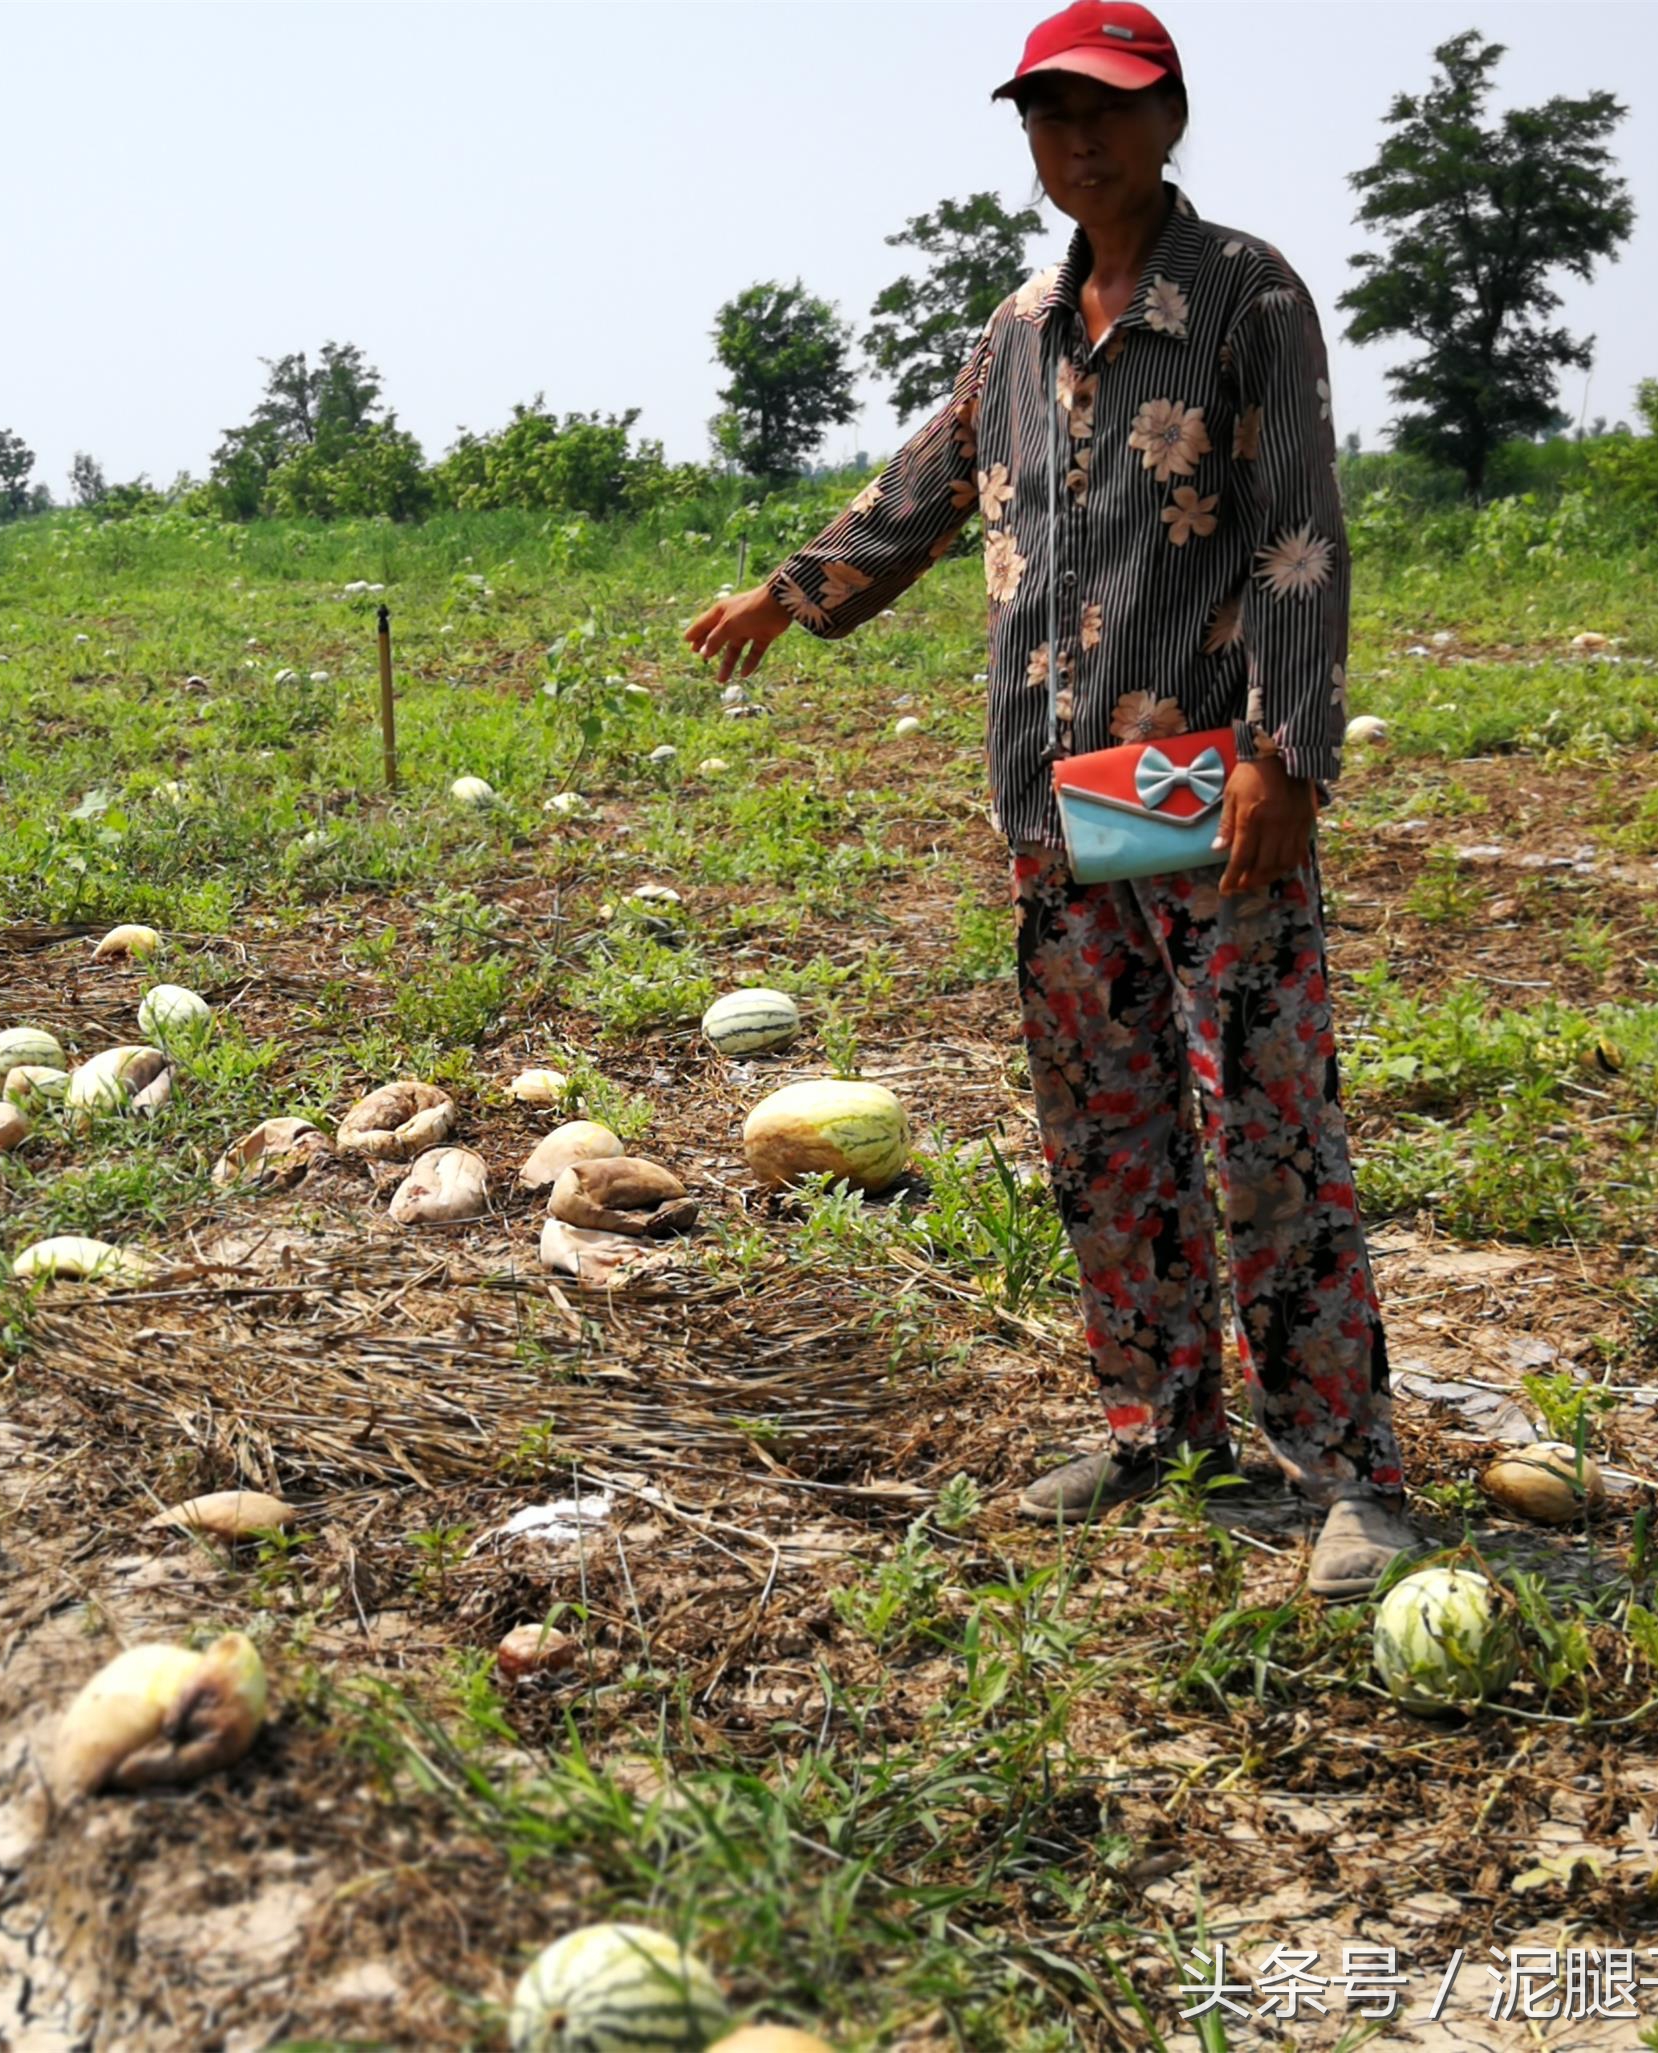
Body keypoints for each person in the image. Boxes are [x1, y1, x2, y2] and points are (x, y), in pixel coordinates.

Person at [684, 0, 1413, 1599]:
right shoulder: (1019, 328)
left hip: (1200, 777)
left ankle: (1348, 1466)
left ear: (1167, 120)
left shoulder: (1241, 296)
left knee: (1263, 1120)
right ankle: (1158, 1424)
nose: (1071, 141)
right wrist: (782, 594)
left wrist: (1289, 755)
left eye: (1102, 111)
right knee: (1108, 1124)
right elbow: (926, 486)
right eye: (1044, 116)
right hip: (1058, 791)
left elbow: (1298, 531)